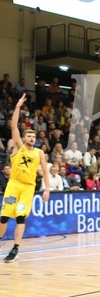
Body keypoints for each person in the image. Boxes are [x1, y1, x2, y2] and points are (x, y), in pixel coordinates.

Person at [0, 94, 51, 262]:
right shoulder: (19, 147)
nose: (32, 138)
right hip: (13, 185)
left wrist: (48, 189)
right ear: (23, 138)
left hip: (28, 187)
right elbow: (14, 126)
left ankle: (15, 248)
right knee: (4, 217)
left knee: (20, 216)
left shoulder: (39, 153)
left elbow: (44, 171)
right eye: (29, 136)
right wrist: (17, 107)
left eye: (34, 137)